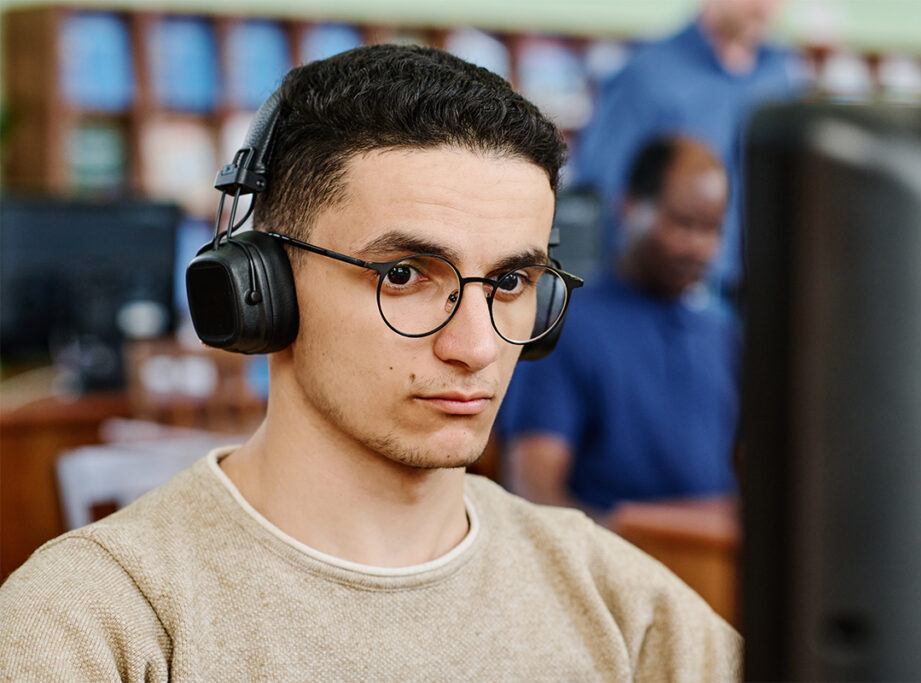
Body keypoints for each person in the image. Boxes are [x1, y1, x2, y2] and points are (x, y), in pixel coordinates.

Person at [0, 46, 740, 679]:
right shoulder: (95, 622)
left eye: (511, 281)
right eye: (404, 275)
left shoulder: (617, 600)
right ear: (264, 289)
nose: (477, 345)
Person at [500, 135, 739, 517]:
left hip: (715, 562)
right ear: (629, 207)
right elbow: (533, 491)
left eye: (712, 229)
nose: (699, 247)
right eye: (683, 223)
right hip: (612, 560)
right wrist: (626, 552)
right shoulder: (568, 329)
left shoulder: (722, 334)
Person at [574, 0, 803, 303]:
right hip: (674, 296)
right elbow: (602, 192)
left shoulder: (781, 74)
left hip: (760, 292)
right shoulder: (647, 76)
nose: (765, 8)